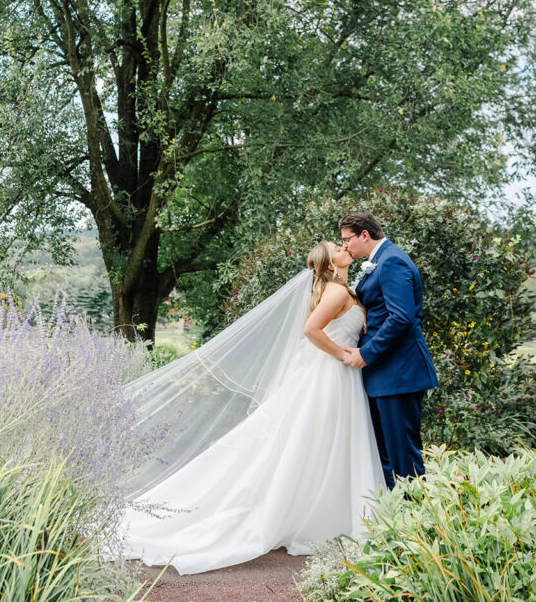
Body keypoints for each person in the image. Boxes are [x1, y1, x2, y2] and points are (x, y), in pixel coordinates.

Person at [116, 241, 385, 575]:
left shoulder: (344, 290)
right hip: (329, 374)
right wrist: (343, 354)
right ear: (330, 265)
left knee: (320, 444)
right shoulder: (334, 290)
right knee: (312, 442)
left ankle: (315, 512)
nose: (344, 249)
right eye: (337, 249)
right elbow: (311, 331)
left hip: (336, 378)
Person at [339, 210, 438, 490]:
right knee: (384, 455)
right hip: (384, 375)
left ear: (365, 235)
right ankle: (394, 520)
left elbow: (401, 318)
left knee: (403, 458)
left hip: (399, 374)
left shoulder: (392, 260)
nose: (345, 246)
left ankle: (415, 523)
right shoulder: (379, 260)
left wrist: (365, 354)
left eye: (347, 240)